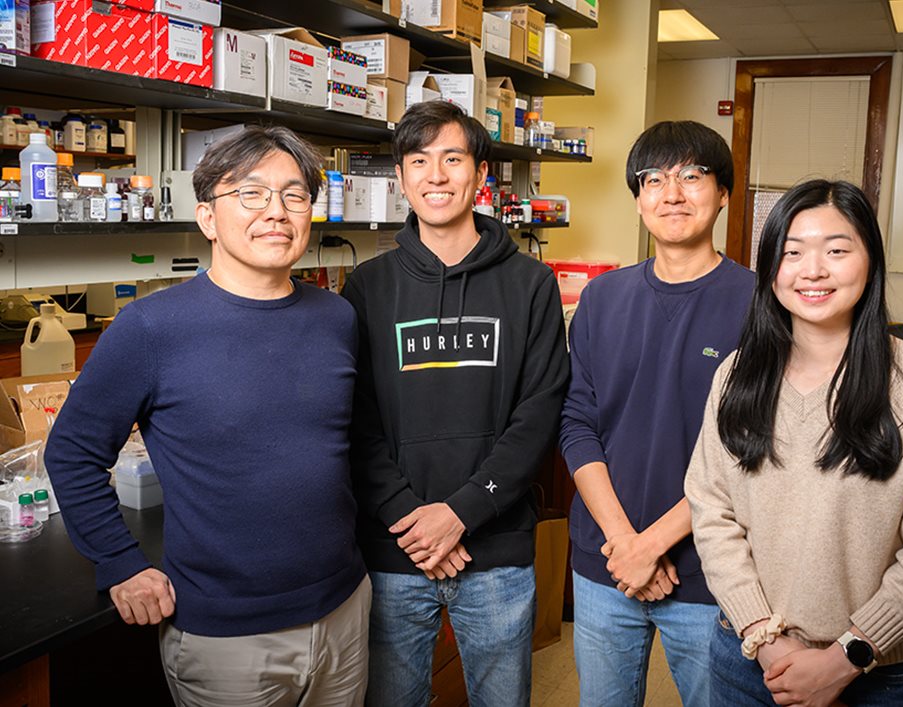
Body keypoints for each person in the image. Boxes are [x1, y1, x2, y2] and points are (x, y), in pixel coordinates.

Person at [44, 126, 371, 707]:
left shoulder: (336, 317)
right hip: (226, 636)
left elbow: (345, 450)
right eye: (251, 194)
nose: (276, 211)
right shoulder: (151, 328)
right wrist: (119, 564)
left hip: (344, 607)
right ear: (207, 218)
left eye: (294, 196)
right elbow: (72, 453)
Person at [685, 179, 903, 707]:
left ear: (870, 259)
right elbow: (711, 510)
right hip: (747, 658)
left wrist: (847, 656)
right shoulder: (737, 375)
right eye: (792, 253)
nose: (812, 271)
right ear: (771, 267)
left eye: (836, 250)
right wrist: (765, 640)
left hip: (878, 673)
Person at [341, 100, 569, 707]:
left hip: (495, 555)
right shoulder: (368, 286)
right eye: (418, 160)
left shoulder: (531, 284)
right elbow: (354, 420)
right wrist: (418, 524)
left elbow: (539, 413)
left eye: (452, 158)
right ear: (400, 178)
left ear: (480, 175)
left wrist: (462, 513)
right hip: (397, 551)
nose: (435, 175)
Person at [558, 120, 755, 706]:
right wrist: (626, 544)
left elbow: (756, 448)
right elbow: (577, 423)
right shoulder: (603, 298)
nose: (672, 193)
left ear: (722, 193)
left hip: (710, 572)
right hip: (605, 567)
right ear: (639, 196)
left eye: (692, 176)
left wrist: (656, 545)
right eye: (655, 179)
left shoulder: (761, 302)